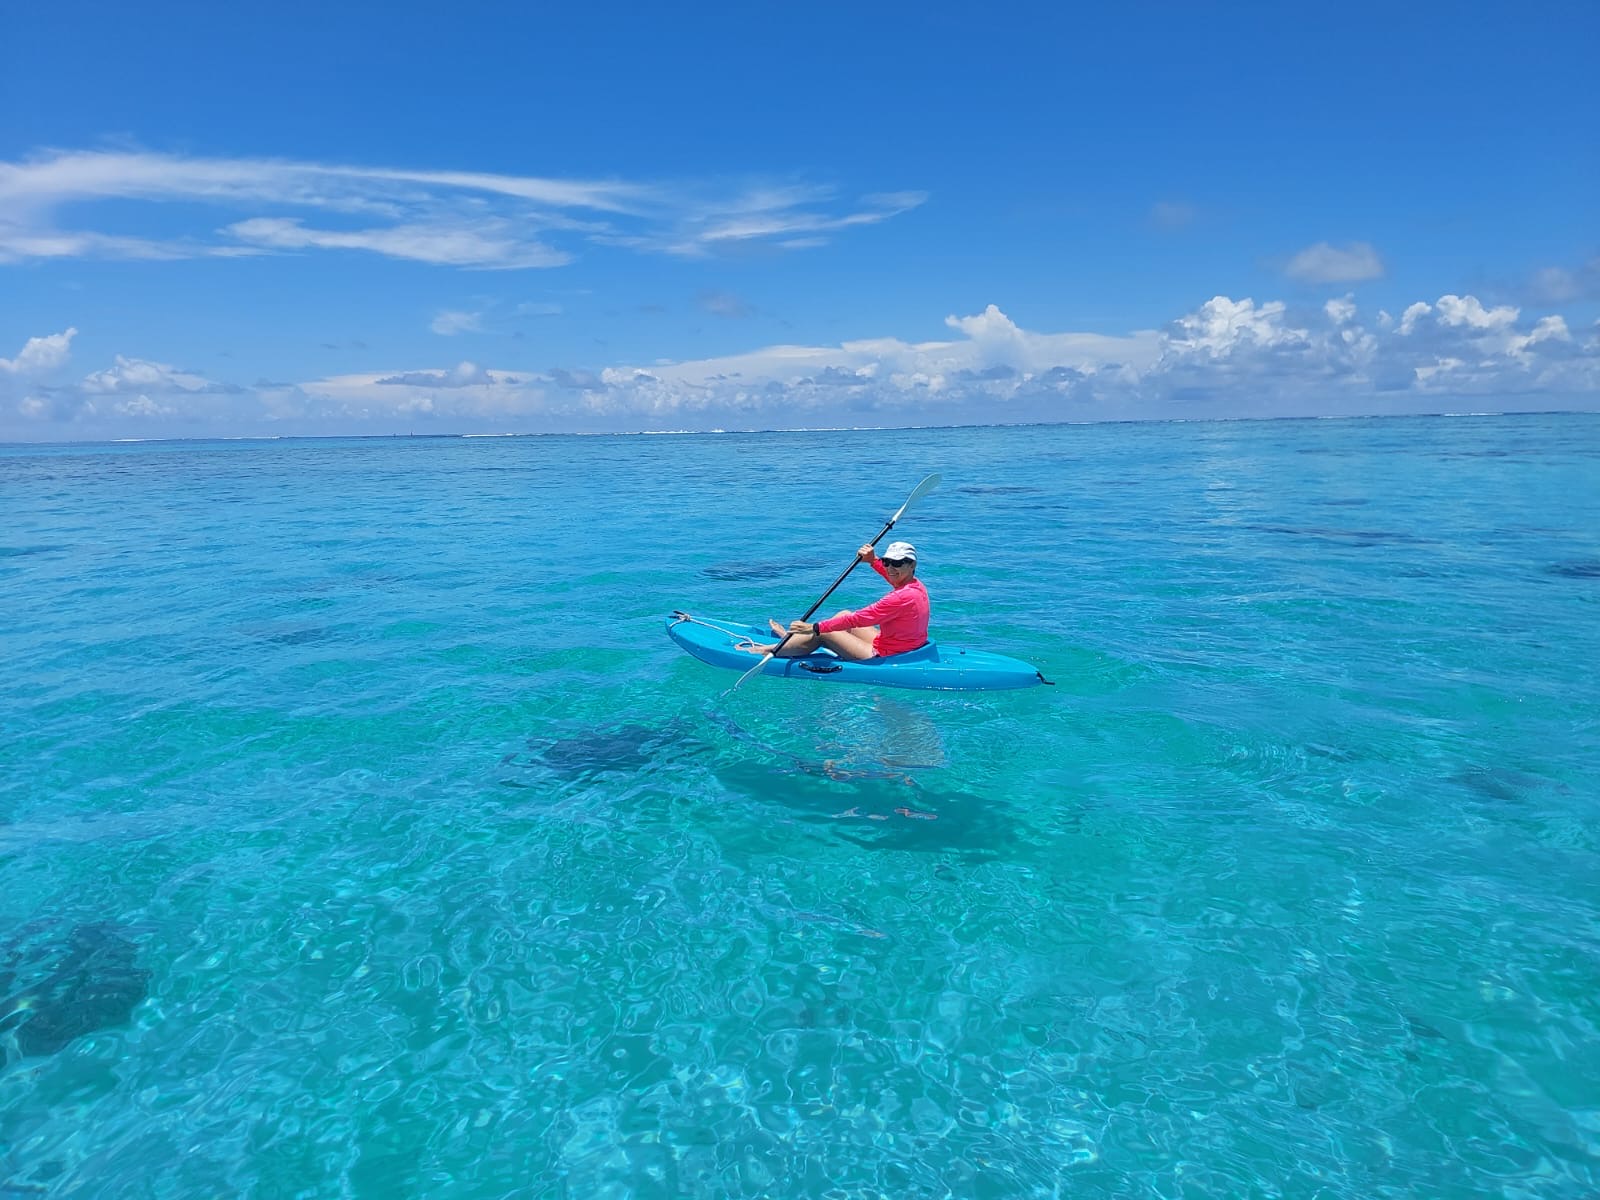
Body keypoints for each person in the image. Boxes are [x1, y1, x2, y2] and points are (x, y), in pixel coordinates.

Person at [745, 540, 930, 660]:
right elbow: (893, 576)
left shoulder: (899, 598)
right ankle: (792, 641)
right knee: (843, 614)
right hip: (904, 646)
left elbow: (859, 619)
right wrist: (874, 560)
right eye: (888, 561)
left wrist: (815, 627)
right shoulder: (915, 585)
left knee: (826, 632)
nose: (890, 568)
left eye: (897, 563)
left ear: (912, 564)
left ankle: (770, 650)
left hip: (887, 655)